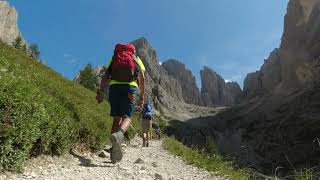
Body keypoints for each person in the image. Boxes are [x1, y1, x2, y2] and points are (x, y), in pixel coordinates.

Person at [96, 43, 145, 163]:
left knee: (116, 119)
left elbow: (106, 75)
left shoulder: (114, 58)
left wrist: (101, 91)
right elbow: (143, 77)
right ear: (132, 50)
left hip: (114, 88)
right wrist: (142, 97)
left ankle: (114, 154)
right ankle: (120, 134)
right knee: (127, 116)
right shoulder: (135, 58)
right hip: (130, 87)